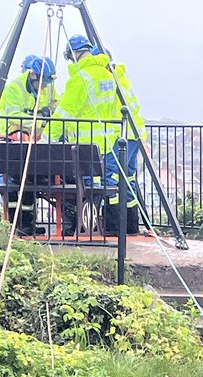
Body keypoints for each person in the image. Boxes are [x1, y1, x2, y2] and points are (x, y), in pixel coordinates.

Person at [51, 35, 145, 233]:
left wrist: (46, 138)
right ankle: (125, 226)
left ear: (74, 54)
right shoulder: (110, 77)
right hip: (117, 137)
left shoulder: (82, 77)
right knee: (121, 181)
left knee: (101, 183)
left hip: (94, 142)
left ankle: (112, 227)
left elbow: (65, 112)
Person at [0, 55, 57, 235]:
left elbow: (57, 104)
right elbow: (13, 115)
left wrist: (51, 112)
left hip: (32, 139)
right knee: (18, 181)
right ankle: (18, 224)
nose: (45, 86)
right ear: (33, 76)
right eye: (42, 82)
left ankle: (28, 224)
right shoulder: (15, 88)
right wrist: (40, 120)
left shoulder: (47, 88)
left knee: (31, 178)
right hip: (12, 139)